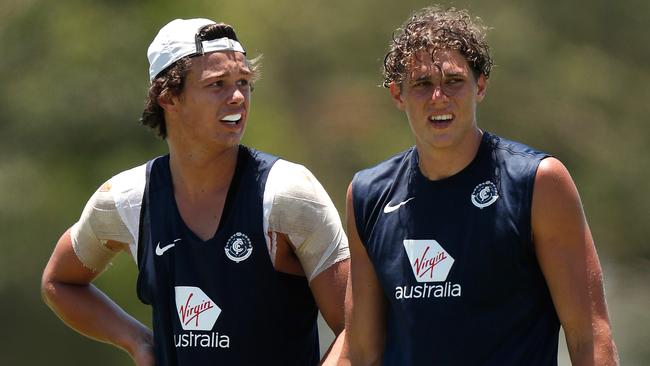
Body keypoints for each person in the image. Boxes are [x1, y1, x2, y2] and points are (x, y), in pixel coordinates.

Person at [41, 18, 350, 366]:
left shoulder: (287, 194)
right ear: (168, 96)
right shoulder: (126, 200)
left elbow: (356, 329)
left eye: (244, 83)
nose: (237, 98)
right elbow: (60, 282)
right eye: (217, 84)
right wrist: (138, 342)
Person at [344, 5, 619, 365]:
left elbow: (590, 338)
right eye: (422, 84)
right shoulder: (368, 195)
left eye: (454, 81)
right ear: (398, 94)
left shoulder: (537, 182)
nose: (438, 98)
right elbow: (360, 351)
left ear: (481, 85)